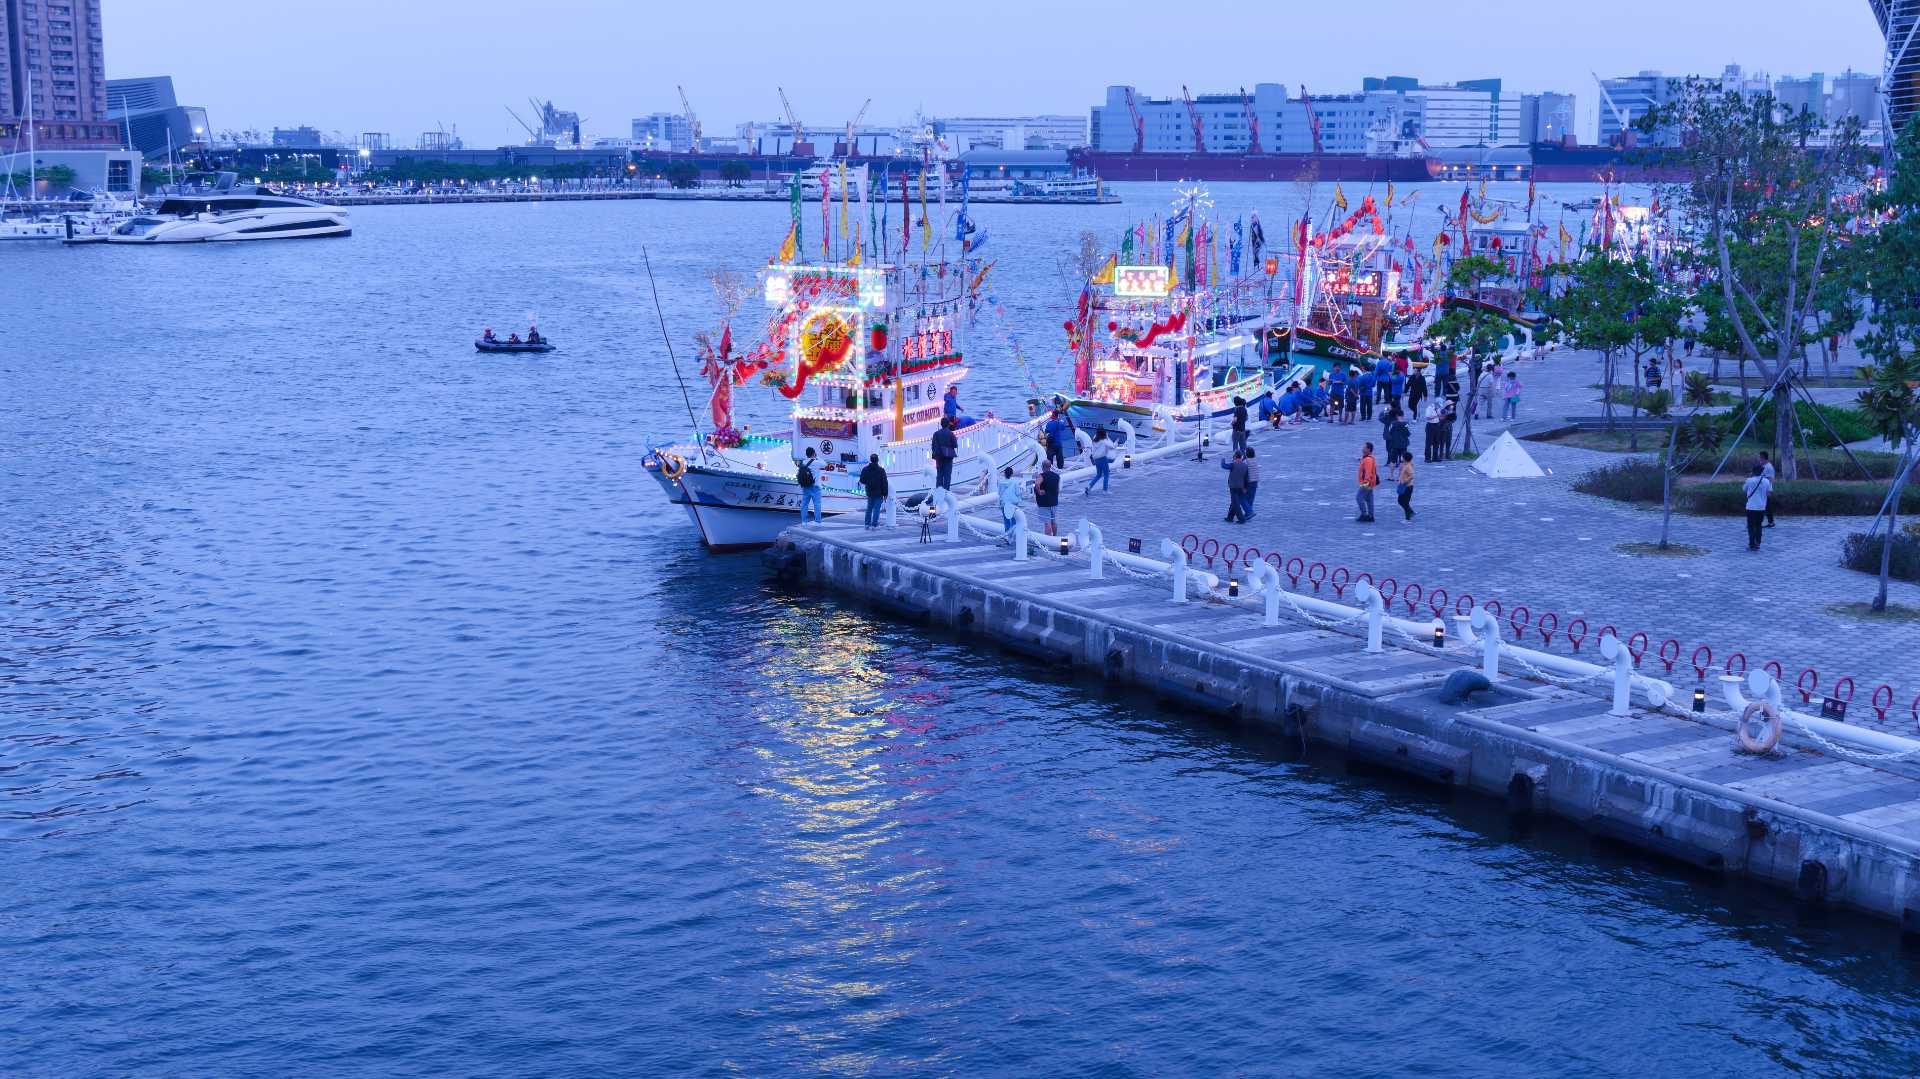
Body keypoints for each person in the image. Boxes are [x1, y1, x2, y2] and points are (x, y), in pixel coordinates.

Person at [1743, 462, 1772, 551]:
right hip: (1761, 507)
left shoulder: (1749, 480)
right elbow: (1769, 494)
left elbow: (1744, 490)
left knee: (1751, 526)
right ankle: (1758, 543)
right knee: (1758, 525)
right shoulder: (1767, 481)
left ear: (1753, 471)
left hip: (1751, 507)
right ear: (1762, 471)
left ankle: (1751, 544)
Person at [859, 454, 889, 529]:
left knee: (869, 509)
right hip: (879, 493)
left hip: (869, 492)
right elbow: (884, 483)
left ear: (870, 460)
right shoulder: (881, 470)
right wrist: (885, 493)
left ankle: (867, 524)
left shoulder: (865, 469)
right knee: (876, 509)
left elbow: (862, 480)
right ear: (877, 460)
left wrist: (868, 483)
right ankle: (874, 524)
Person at [1033, 459, 1061, 536]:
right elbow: (1058, 489)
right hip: (1054, 502)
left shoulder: (1041, 476)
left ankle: (1047, 542)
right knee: (1053, 521)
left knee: (1047, 523)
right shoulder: (1056, 476)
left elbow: (1037, 484)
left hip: (1044, 503)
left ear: (1042, 467)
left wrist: (1039, 491)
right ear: (1050, 467)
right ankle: (1054, 537)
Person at [931, 417, 959, 490]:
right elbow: (955, 445)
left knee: (939, 474)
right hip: (948, 457)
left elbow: (933, 445)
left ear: (941, 424)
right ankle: (946, 492)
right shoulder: (950, 434)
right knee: (947, 475)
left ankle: (938, 491)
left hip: (939, 457)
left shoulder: (936, 434)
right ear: (948, 425)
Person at [797, 447, 823, 523]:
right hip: (815, 487)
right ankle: (817, 521)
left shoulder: (803, 462)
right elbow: (825, 464)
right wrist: (817, 456)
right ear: (813, 453)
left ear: (806, 454)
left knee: (804, 504)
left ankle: (804, 521)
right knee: (817, 505)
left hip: (805, 486)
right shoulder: (817, 462)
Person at [1223, 451, 1249, 523]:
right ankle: (1229, 517)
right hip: (1241, 487)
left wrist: (1222, 460)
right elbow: (1246, 478)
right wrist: (1245, 488)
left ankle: (1241, 519)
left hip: (1233, 486)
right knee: (1234, 502)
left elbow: (1224, 466)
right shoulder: (1245, 466)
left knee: (1235, 503)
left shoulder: (1233, 464)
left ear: (1235, 457)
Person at [1084, 426, 1112, 494]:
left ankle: (1089, 487)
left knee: (1098, 474)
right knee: (1106, 475)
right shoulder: (1104, 440)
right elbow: (1111, 447)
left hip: (1096, 459)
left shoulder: (1094, 439)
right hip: (1103, 458)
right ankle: (1105, 491)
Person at [1355, 442, 1379, 523]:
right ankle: (1371, 516)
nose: (1362, 449)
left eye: (1364, 447)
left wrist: (1365, 482)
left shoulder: (1368, 459)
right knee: (1369, 499)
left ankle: (1364, 515)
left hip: (1366, 483)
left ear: (1368, 449)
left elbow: (1368, 472)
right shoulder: (1369, 458)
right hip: (1371, 482)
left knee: (1359, 498)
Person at [997, 465, 1023, 538]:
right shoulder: (1015, 482)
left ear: (1005, 473)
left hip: (1004, 503)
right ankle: (1013, 536)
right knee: (1014, 520)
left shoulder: (1000, 482)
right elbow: (1018, 493)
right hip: (1013, 504)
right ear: (1012, 474)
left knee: (1006, 521)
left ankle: (1007, 536)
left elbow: (999, 493)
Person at [1759, 451, 1777, 527]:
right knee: (1765, 506)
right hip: (1764, 490)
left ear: (1763, 458)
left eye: (1760, 458)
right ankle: (1770, 522)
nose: (1759, 460)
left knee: (1766, 506)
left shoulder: (1768, 467)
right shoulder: (1765, 466)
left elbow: (1771, 479)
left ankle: (1770, 522)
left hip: (1767, 490)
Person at [1422, 397, 1444, 463]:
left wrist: (1443, 415)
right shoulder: (1430, 408)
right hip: (1430, 426)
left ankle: (1435, 457)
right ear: (1436, 403)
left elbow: (1440, 417)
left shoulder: (1439, 408)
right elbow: (1427, 417)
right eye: (1439, 405)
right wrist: (1437, 415)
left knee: (1436, 442)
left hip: (1437, 425)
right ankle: (1427, 458)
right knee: (1429, 442)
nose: (1439, 406)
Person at [1396, 454, 1416, 521]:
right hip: (1404, 486)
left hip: (1407, 486)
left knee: (1404, 502)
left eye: (1402, 457)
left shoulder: (1408, 466)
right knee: (1401, 501)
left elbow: (1412, 475)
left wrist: (1405, 481)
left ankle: (1408, 518)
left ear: (1405, 458)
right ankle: (1410, 512)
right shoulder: (1405, 465)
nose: (1401, 458)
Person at [1241, 447, 1259, 521]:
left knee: (1241, 498)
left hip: (1248, 482)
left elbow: (1243, 472)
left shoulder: (1246, 461)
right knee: (1250, 499)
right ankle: (1247, 514)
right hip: (1255, 481)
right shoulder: (1255, 460)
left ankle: (1249, 512)